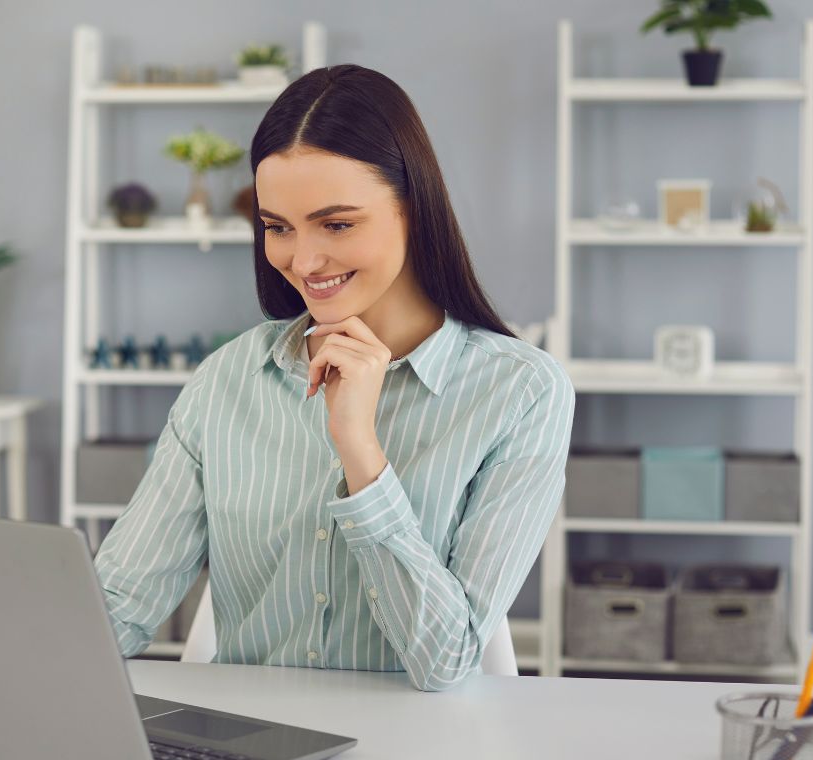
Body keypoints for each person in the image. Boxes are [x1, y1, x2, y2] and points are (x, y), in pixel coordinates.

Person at [92, 64, 575, 692]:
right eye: (277, 227)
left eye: (337, 224)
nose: (304, 260)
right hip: (252, 755)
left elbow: (446, 660)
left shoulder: (520, 392)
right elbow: (120, 606)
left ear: (415, 211)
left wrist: (360, 450)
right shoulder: (229, 378)